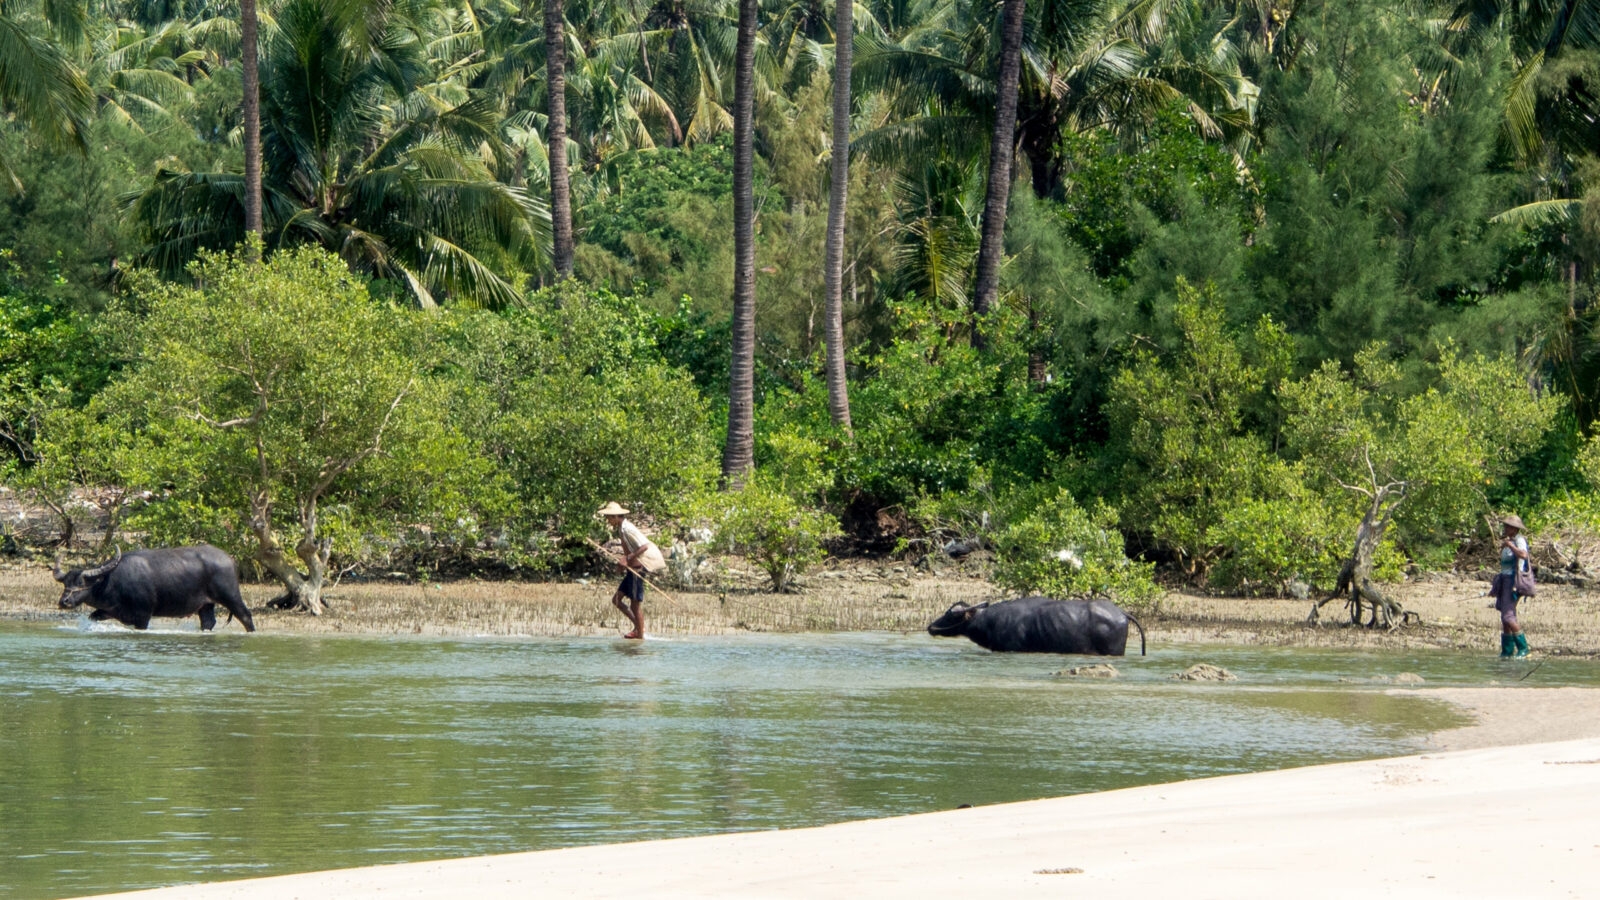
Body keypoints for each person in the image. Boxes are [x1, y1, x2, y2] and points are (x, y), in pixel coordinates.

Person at [597, 501, 666, 640]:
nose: (608, 520)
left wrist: (627, 558)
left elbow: (644, 547)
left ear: (617, 516)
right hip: (631, 569)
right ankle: (638, 627)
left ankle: (640, 636)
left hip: (638, 570)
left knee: (635, 605)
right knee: (617, 600)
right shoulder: (622, 528)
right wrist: (623, 563)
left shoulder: (627, 529)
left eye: (610, 518)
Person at [1489, 514, 1532, 658]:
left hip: (1513, 582)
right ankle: (1507, 651)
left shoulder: (1519, 541)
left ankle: (1523, 648)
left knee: (1508, 616)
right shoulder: (1509, 541)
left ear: (1514, 529)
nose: (1505, 528)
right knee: (1504, 617)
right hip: (1504, 581)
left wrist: (1510, 546)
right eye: (1505, 526)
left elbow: (1523, 555)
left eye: (1508, 526)